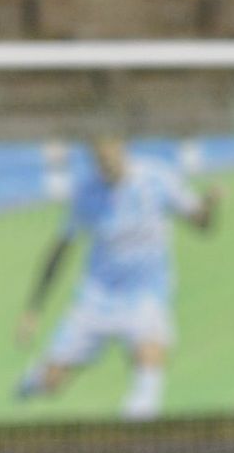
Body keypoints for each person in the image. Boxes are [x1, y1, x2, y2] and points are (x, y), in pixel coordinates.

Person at [14, 137, 219, 421]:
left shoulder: (158, 178)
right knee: (50, 384)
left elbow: (202, 224)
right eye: (99, 159)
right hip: (97, 297)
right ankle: (35, 379)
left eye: (110, 155)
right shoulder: (86, 192)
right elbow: (60, 250)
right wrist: (33, 309)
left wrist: (209, 206)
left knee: (148, 369)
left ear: (122, 147)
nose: (106, 163)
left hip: (146, 293)